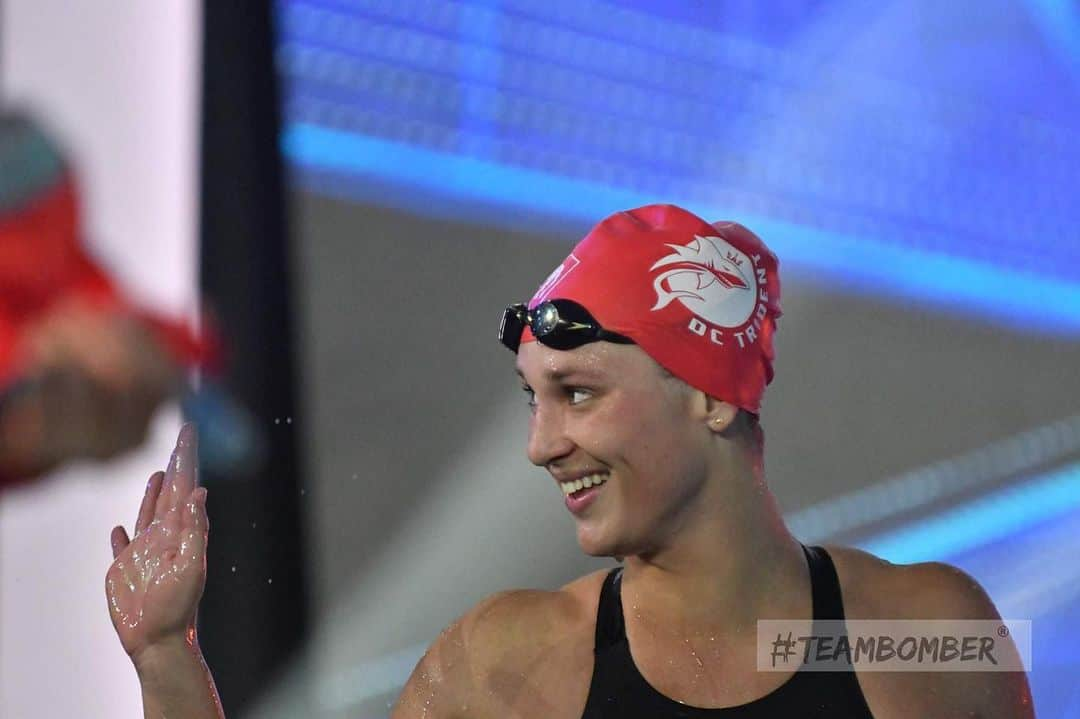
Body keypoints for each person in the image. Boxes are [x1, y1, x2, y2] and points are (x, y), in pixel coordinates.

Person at [106, 205, 1034, 718]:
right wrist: (166, 663)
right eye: (532, 397)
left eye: (578, 392)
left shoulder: (923, 635)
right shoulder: (508, 664)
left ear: (712, 393)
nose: (541, 443)